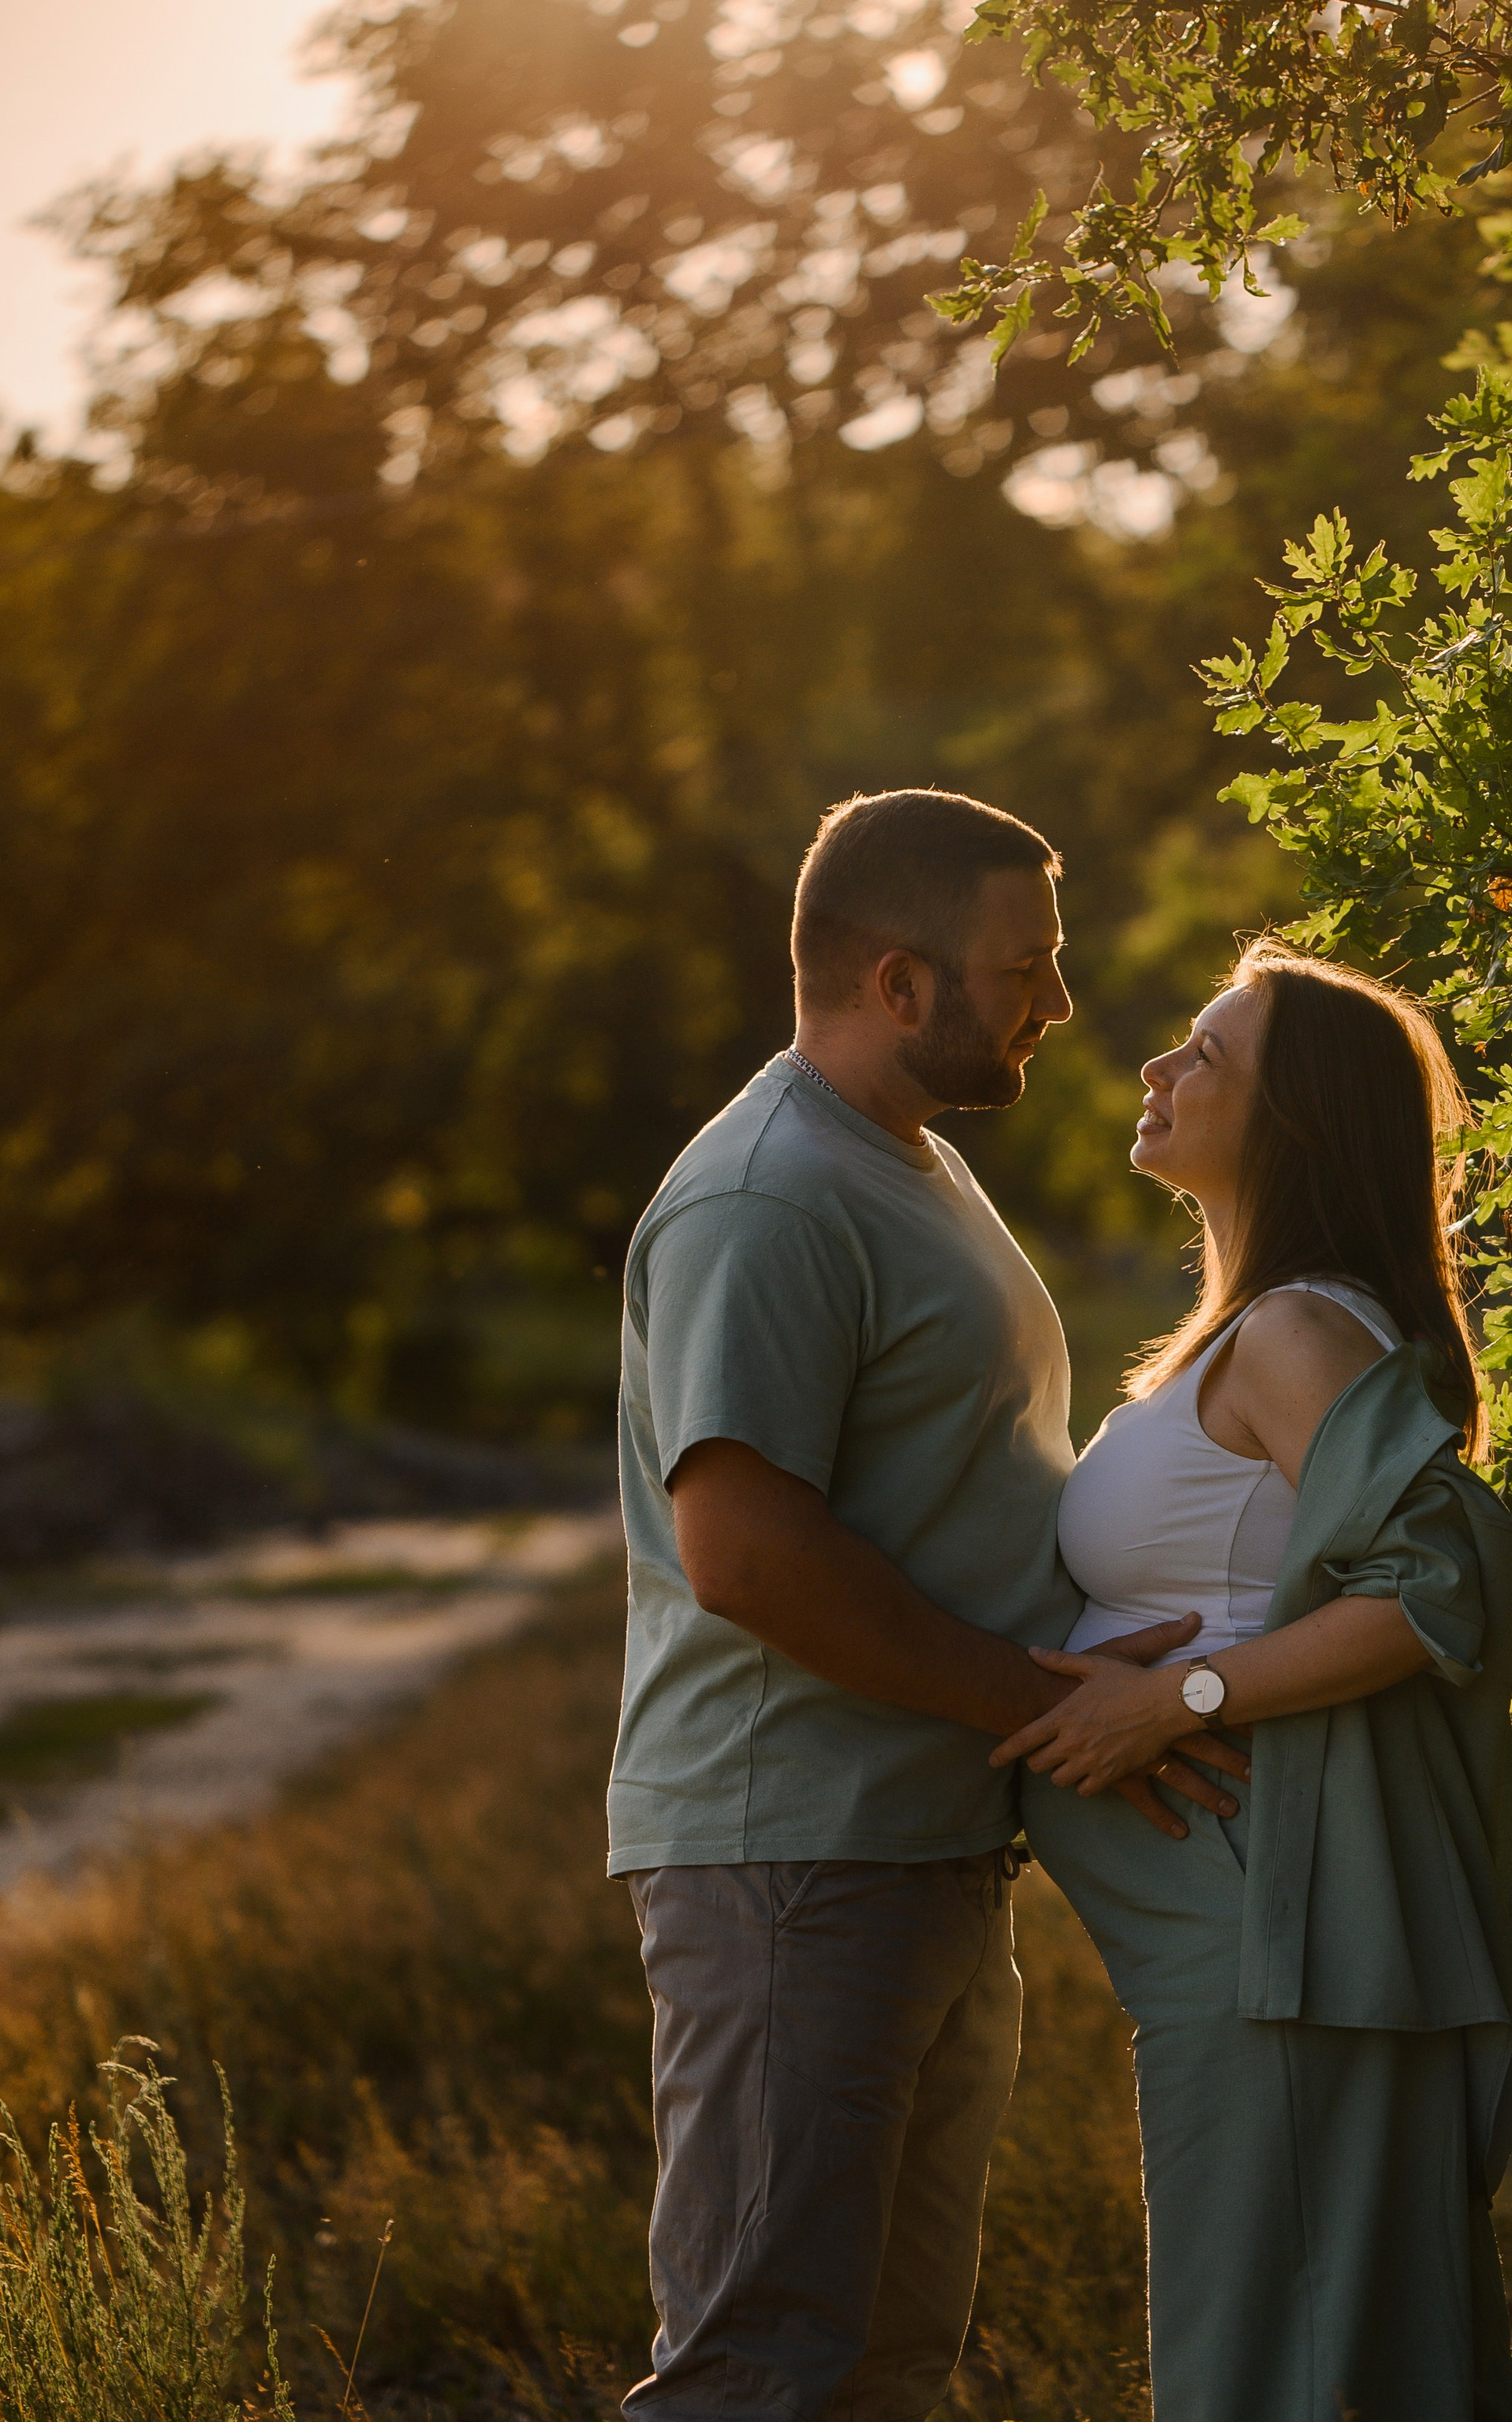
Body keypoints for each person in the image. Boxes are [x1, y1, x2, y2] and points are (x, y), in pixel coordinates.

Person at [607, 787, 1241, 2422]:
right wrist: (1040, 1704)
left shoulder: (907, 1161)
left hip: (915, 1842)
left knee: (886, 2369)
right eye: (1025, 965)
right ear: (899, 982)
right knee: (761, 2371)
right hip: (794, 1854)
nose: (1061, 1001)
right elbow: (744, 1551)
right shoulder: (766, 1197)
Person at [995, 939, 1512, 2422]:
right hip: (1240, 1948)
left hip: (1276, 1938)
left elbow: (1436, 1590)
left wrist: (1175, 1700)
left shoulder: (1301, 1333)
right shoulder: (1250, 1332)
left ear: (1293, 1120)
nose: (1159, 1068)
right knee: (1307, 2363)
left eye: (1207, 1054)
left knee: (1266, 2377)